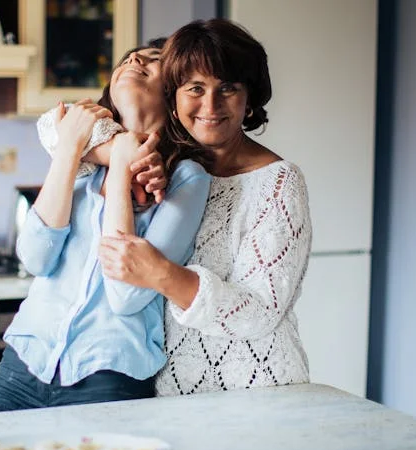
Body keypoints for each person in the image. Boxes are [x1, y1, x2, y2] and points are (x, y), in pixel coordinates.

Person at [0, 40, 212, 411]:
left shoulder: (186, 179)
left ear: (173, 95)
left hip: (109, 377)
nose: (135, 59)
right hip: (23, 365)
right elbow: (36, 258)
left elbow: (127, 296)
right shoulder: (86, 162)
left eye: (153, 62)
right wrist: (71, 150)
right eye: (130, 58)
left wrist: (122, 164)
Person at [95, 19, 313, 396]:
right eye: (195, 87)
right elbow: (56, 128)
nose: (210, 105)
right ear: (173, 98)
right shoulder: (163, 164)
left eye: (227, 88)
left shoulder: (279, 182)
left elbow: (261, 311)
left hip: (260, 390)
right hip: (169, 392)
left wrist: (162, 273)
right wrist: (109, 152)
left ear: (249, 100)